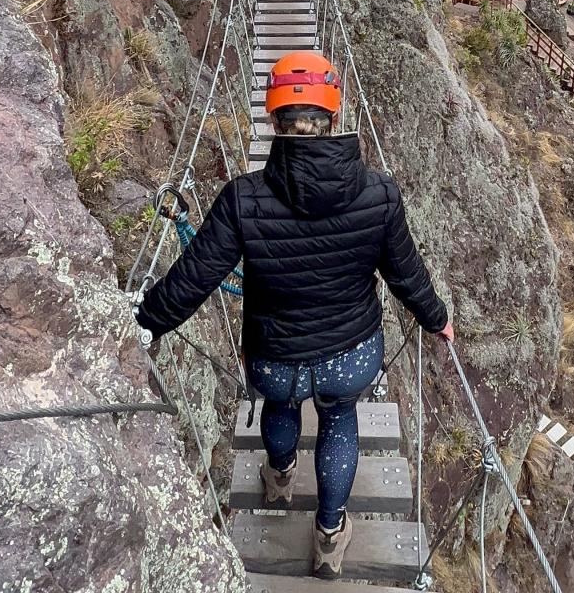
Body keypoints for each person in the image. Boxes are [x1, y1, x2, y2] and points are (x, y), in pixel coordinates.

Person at [135, 51, 453, 579]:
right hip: (351, 351)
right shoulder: (379, 194)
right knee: (339, 419)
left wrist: (145, 323)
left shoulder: (243, 199)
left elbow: (194, 278)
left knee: (280, 408)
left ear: (271, 118)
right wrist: (435, 316)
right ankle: (330, 535)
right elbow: (406, 274)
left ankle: (279, 477)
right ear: (336, 114)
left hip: (275, 355)